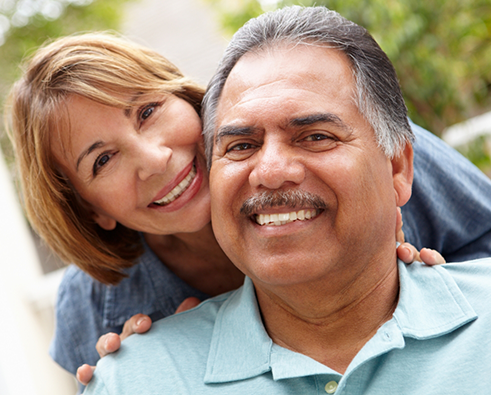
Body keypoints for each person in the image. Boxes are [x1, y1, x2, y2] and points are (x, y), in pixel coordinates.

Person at [2, 26, 488, 390]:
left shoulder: (366, 156)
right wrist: (134, 370)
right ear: (91, 211)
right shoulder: (94, 306)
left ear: (187, 99)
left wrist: (433, 288)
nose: (154, 159)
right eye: (103, 159)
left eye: (147, 111)